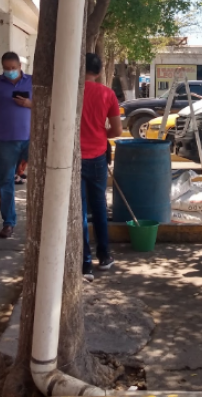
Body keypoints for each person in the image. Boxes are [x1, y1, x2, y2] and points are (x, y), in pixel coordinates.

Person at [0, 52, 32, 238]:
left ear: (20, 66)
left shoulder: (32, 82)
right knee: (6, 181)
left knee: (42, 178)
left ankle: (39, 219)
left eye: (13, 68)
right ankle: (8, 222)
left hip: (31, 140)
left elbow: (46, 105)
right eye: (6, 68)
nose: (10, 71)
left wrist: (29, 104)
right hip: (5, 141)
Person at [80, 53, 123, 281]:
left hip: (73, 156)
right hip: (97, 155)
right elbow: (117, 131)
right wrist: (99, 134)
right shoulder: (107, 94)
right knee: (99, 207)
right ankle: (104, 256)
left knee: (78, 210)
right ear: (98, 71)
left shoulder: (71, 92)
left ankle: (84, 265)